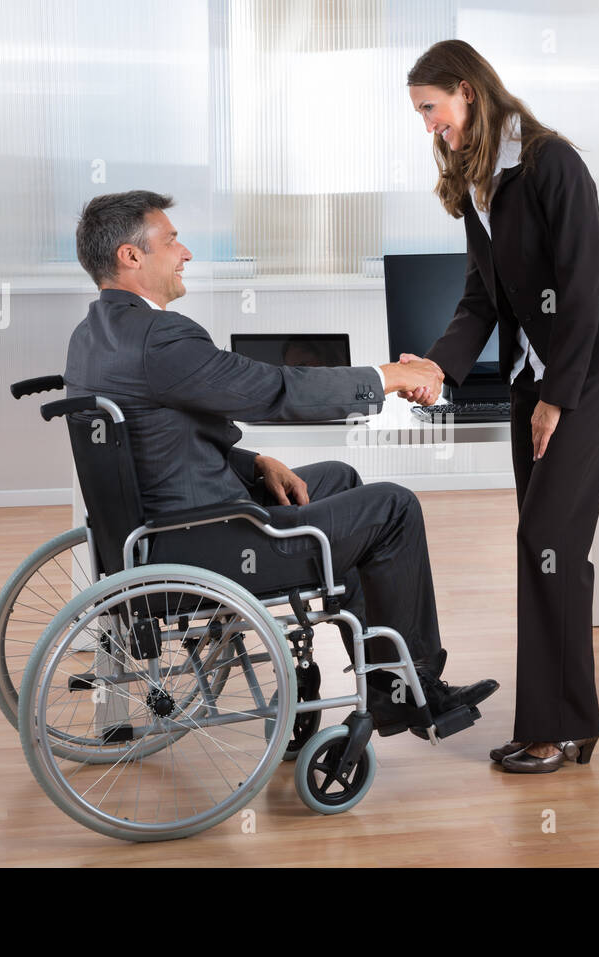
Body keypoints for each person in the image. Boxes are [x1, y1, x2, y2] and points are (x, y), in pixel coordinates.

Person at [63, 189, 498, 737]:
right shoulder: (159, 336)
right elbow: (273, 389)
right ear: (132, 256)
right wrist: (385, 377)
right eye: (171, 240)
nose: (186, 253)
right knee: (393, 506)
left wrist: (256, 461)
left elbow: (154, 439)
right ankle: (412, 687)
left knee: (338, 480)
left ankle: (394, 684)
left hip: (156, 531)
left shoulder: (91, 336)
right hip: (209, 542)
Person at [403, 40, 599, 772]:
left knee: (546, 535)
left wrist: (556, 399)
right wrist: (437, 367)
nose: (428, 127)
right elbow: (483, 297)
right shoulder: (479, 176)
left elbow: (578, 291)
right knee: (549, 547)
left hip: (590, 364)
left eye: (430, 109)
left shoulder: (551, 163)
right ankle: (561, 719)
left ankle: (556, 725)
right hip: (532, 369)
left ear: (466, 91)